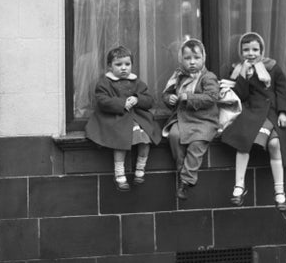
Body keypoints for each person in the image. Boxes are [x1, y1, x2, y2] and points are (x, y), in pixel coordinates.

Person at [220, 32, 286, 211]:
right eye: (246, 50)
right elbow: (241, 95)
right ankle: (239, 186)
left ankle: (280, 192)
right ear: (241, 52)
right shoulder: (239, 69)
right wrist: (243, 77)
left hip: (272, 112)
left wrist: (284, 113)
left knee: (275, 144)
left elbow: (283, 91)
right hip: (252, 112)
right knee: (243, 143)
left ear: (261, 50)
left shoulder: (272, 68)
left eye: (255, 49)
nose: (251, 53)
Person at [85, 45, 162, 191]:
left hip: (136, 118)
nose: (124, 68)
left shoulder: (137, 82)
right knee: (120, 139)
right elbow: (102, 100)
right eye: (118, 64)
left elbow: (150, 100)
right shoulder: (105, 82)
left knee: (146, 138)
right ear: (109, 66)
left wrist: (137, 99)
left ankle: (140, 168)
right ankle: (119, 173)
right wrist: (121, 103)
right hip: (116, 118)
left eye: (127, 64)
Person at [162, 38, 220, 200]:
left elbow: (212, 97)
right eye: (187, 59)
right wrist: (169, 99)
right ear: (181, 60)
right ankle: (181, 169)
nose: (192, 62)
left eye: (196, 58)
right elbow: (167, 93)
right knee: (174, 136)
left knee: (197, 144)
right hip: (182, 118)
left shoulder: (208, 77)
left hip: (204, 120)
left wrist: (188, 97)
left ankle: (186, 180)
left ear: (203, 58)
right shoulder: (179, 77)